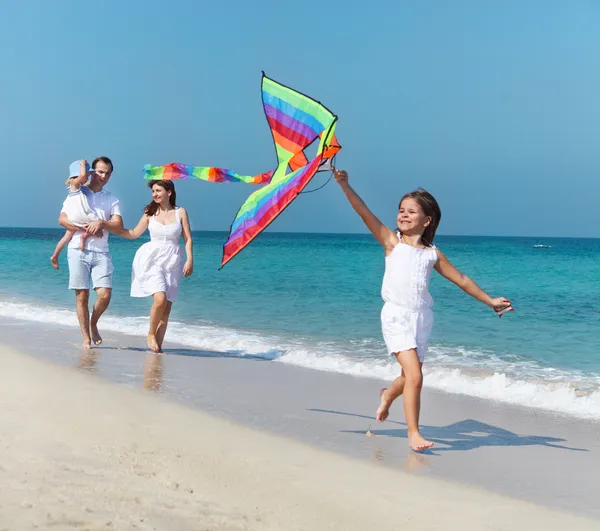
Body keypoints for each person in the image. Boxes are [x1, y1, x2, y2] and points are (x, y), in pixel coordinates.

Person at [333, 169, 513, 452]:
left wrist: (490, 301)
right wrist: (345, 185)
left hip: (422, 319)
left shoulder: (432, 254)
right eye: (400, 210)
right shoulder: (392, 243)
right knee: (416, 376)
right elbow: (362, 210)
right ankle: (413, 433)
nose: (403, 215)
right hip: (395, 316)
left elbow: (462, 280)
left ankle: (388, 395)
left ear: (427, 220)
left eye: (411, 212)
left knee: (408, 377)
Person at [118, 180, 193, 353]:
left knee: (167, 307)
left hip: (173, 260)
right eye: (153, 191)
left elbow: (187, 238)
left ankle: (157, 349)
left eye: (158, 191)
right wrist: (110, 227)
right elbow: (134, 233)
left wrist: (190, 260)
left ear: (169, 192)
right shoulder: (149, 212)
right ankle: (151, 334)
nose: (155, 194)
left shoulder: (180, 212)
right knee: (160, 298)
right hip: (152, 259)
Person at [58, 156, 122, 349]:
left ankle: (93, 322)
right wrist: (84, 228)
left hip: (101, 252)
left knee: (105, 295)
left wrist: (102, 222)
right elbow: (62, 220)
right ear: (92, 172)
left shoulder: (112, 199)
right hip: (78, 250)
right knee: (82, 295)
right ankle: (86, 338)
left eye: (108, 173)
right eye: (100, 171)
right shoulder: (76, 193)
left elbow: (118, 225)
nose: (104, 176)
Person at [50, 160, 97, 269]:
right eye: (87, 175)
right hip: (79, 216)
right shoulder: (74, 186)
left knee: (66, 236)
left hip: (75, 217)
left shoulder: (81, 189)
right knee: (95, 221)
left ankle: (55, 255)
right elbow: (82, 175)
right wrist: (83, 165)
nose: (88, 177)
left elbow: (87, 181)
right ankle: (84, 237)